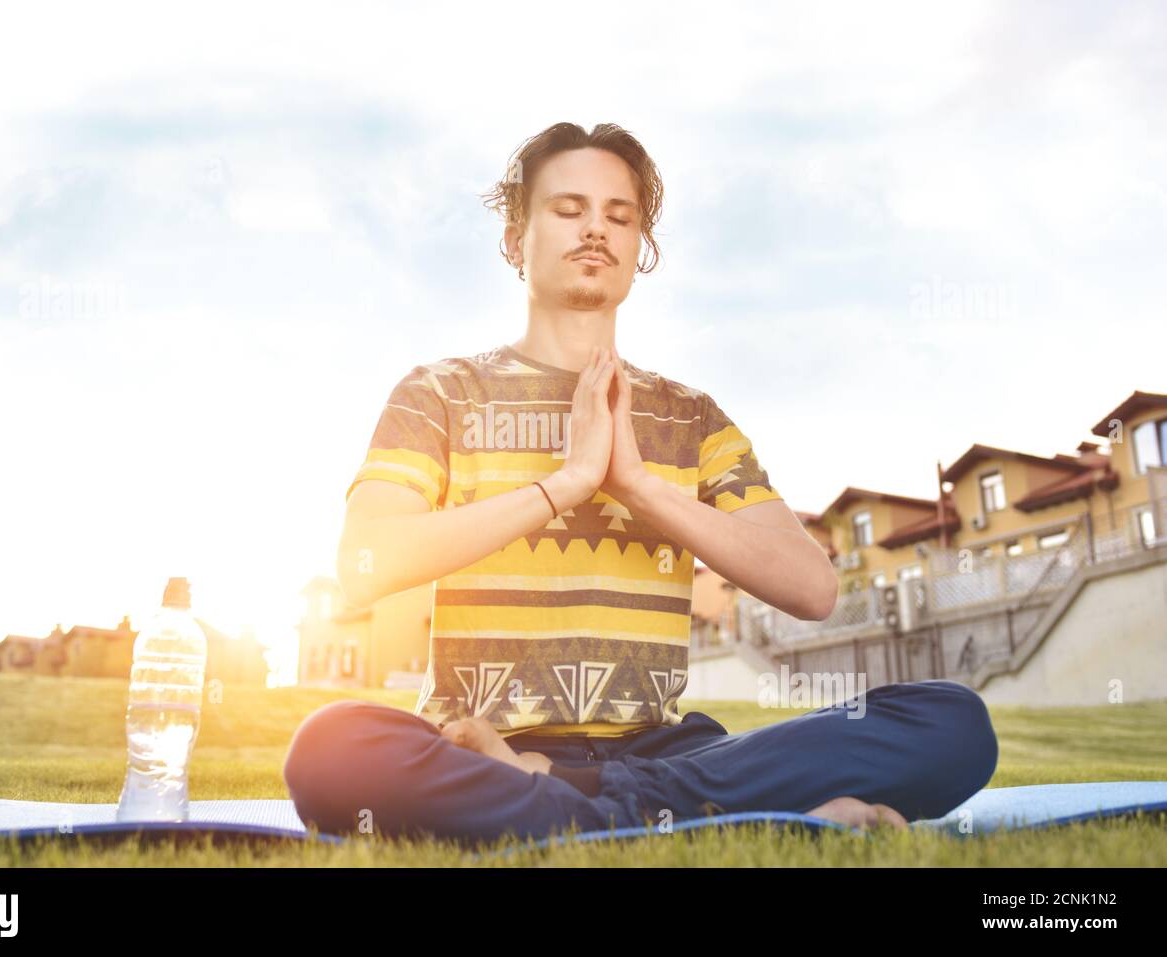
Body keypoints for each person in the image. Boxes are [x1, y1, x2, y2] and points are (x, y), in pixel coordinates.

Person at [282, 122, 998, 846]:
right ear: (514, 235)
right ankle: (712, 824)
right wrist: (563, 485)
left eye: (619, 216)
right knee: (331, 749)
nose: (596, 227)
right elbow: (364, 565)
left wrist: (641, 488)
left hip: (666, 751)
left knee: (951, 722)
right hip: (487, 746)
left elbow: (812, 589)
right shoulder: (439, 393)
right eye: (568, 209)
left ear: (638, 249)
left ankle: (568, 804)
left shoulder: (691, 417)